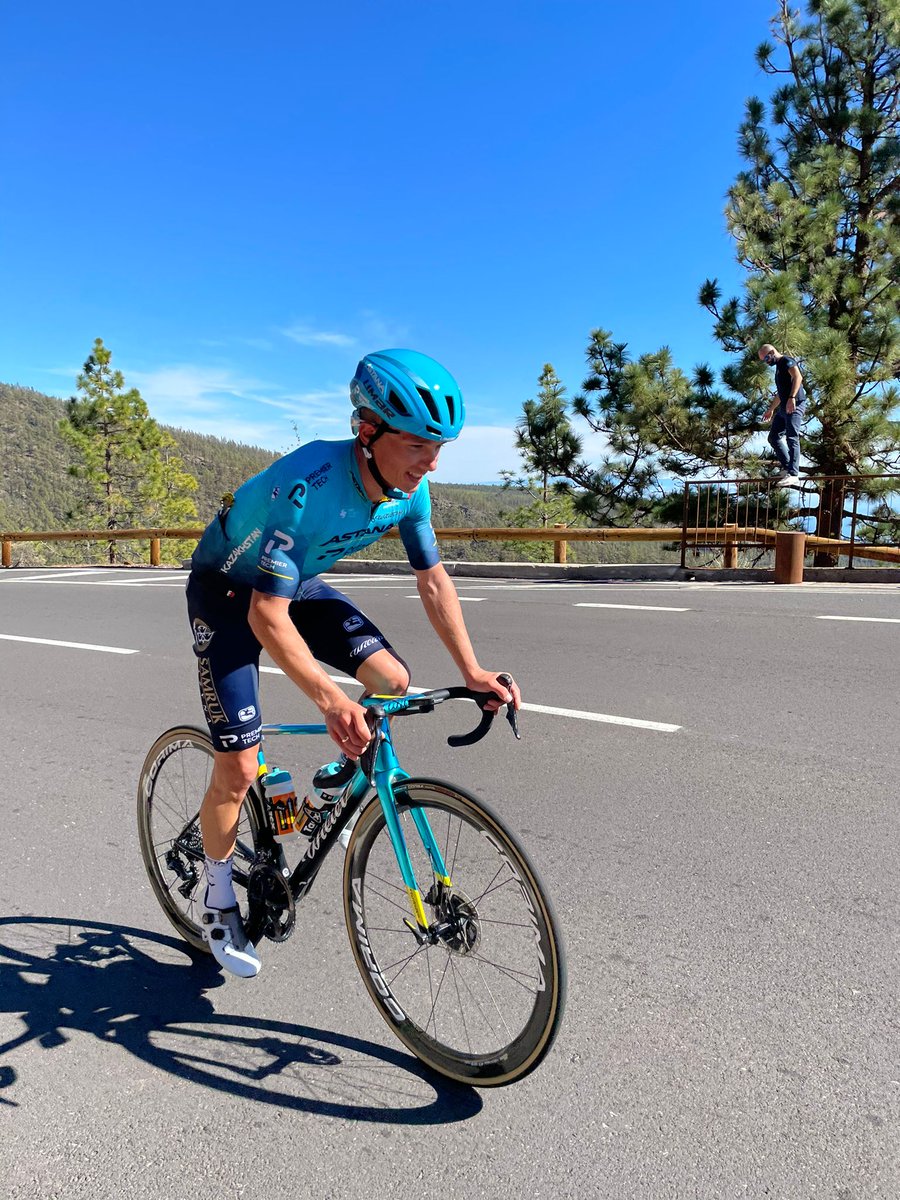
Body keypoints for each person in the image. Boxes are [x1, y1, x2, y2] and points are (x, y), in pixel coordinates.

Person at [185, 349, 521, 978]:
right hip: (229, 595)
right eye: (421, 442)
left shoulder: (410, 492)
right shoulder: (309, 486)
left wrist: (473, 670)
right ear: (368, 434)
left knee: (393, 681)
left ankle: (333, 783)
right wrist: (331, 700)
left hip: (294, 585)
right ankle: (216, 892)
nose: (433, 460)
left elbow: (433, 580)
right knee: (234, 766)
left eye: (441, 444)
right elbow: (264, 616)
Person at [758, 343, 807, 486]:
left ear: (772, 352)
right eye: (763, 360)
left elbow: (798, 377)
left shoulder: (786, 360)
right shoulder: (778, 369)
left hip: (795, 404)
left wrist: (792, 398)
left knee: (792, 436)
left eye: (766, 358)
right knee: (774, 437)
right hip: (784, 407)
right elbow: (780, 393)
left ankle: (793, 474)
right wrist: (771, 409)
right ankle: (787, 468)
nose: (766, 362)